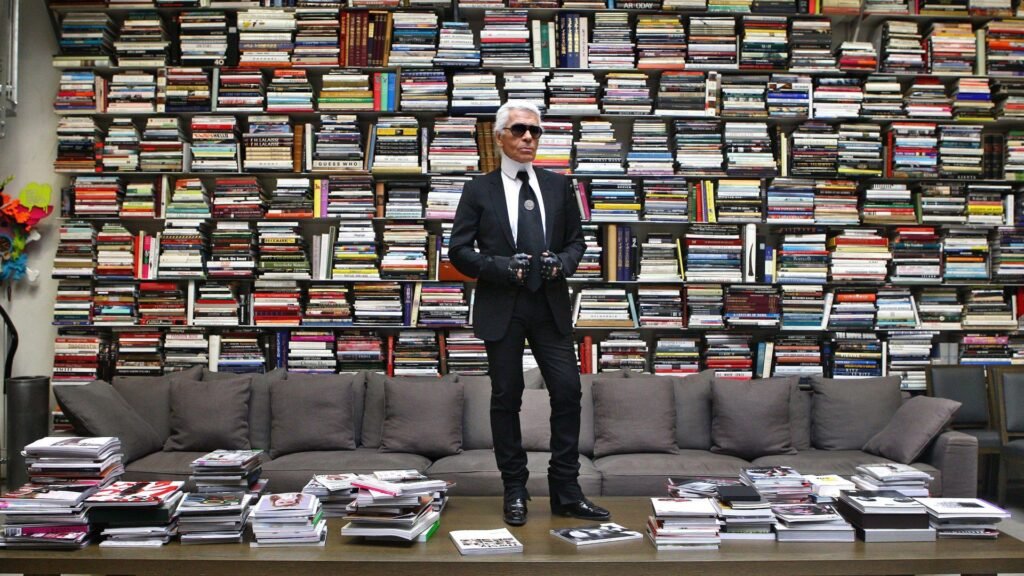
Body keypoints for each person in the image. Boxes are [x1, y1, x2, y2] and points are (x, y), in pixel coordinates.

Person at [449, 100, 610, 527]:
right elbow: (459, 252)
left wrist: (564, 261)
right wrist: (501, 267)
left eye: (535, 132)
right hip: (502, 305)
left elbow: (577, 242)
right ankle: (515, 490)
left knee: (568, 392)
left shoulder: (559, 187)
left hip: (549, 305)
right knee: (507, 398)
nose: (527, 138)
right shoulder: (478, 189)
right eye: (519, 130)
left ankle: (566, 492)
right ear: (500, 136)